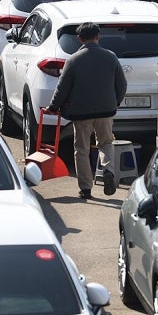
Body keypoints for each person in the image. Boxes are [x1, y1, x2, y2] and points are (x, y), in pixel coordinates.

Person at [47, 22, 127, 199]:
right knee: (106, 143)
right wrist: (115, 103)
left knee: (81, 148)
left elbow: (62, 88)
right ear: (98, 37)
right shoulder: (111, 57)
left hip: (81, 113)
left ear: (79, 39)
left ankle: (86, 188)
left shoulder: (74, 60)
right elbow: (122, 85)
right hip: (106, 111)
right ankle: (108, 171)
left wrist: (53, 107)